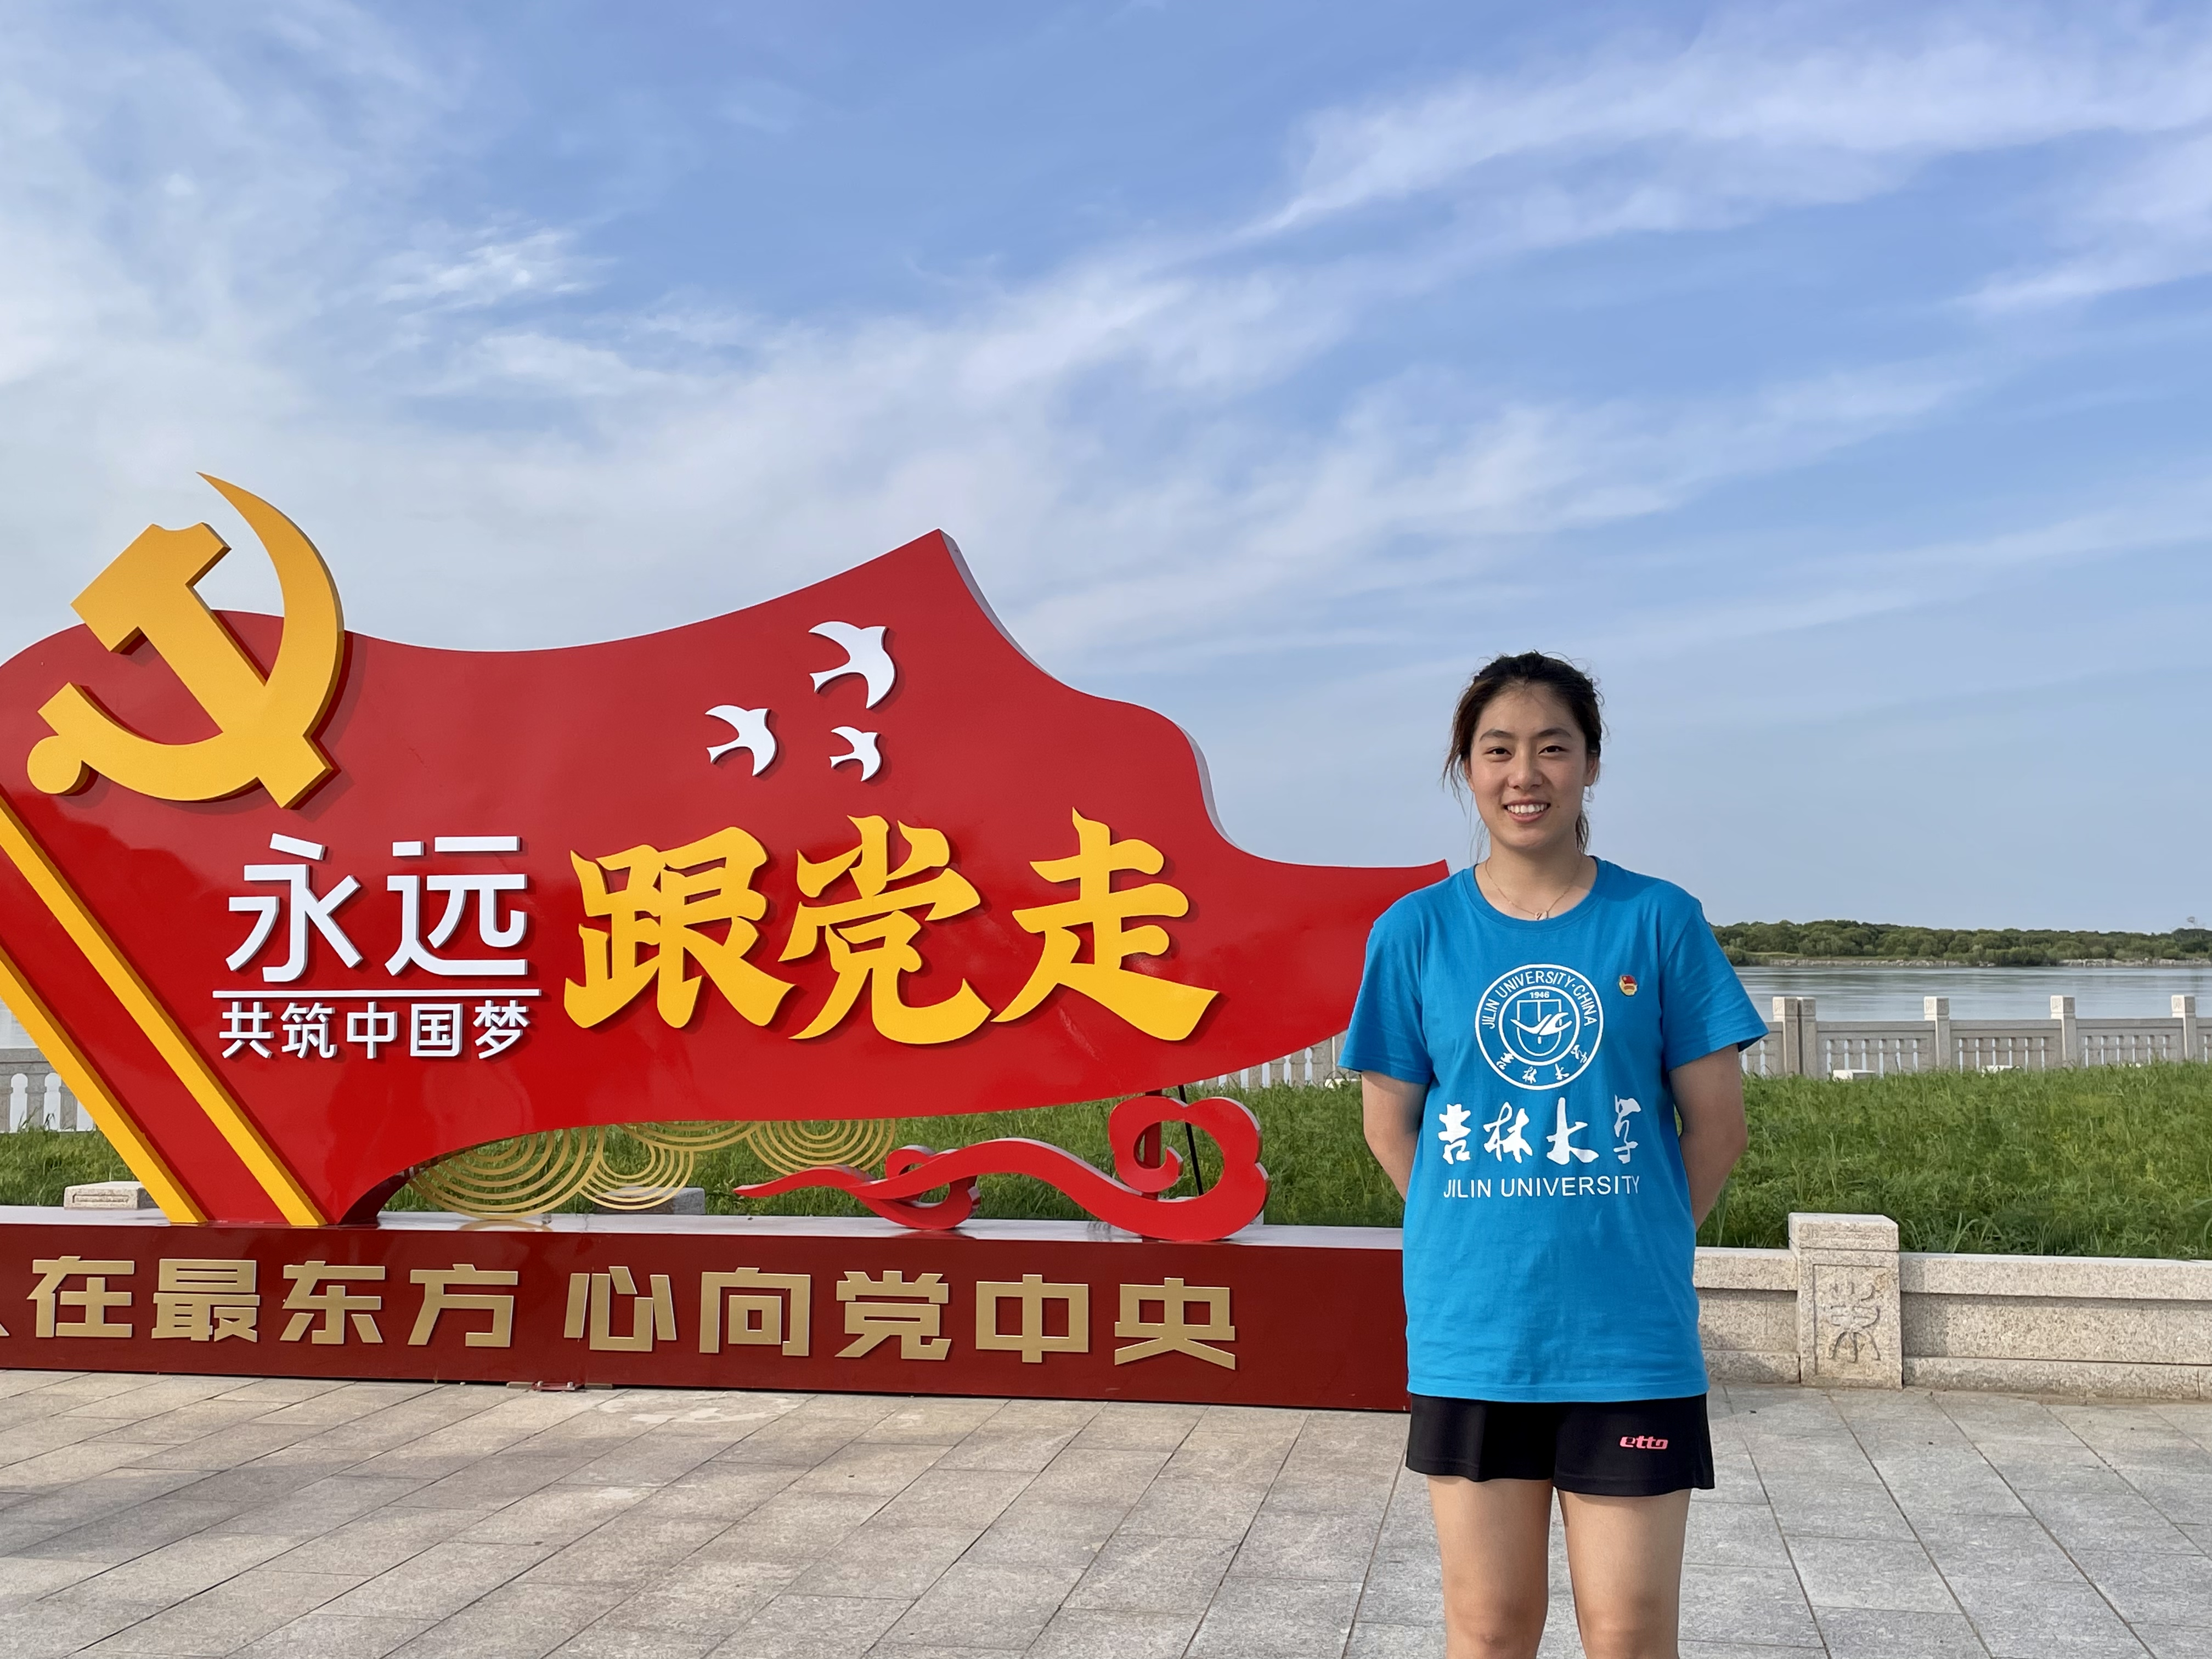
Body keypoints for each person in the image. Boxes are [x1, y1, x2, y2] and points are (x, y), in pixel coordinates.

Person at [1343, 651, 1765, 1659]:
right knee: (1489, 1627)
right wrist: (1477, 1223)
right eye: (1498, 751)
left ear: (1591, 764)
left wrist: (1635, 1234)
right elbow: (1390, 1126)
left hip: (1629, 1339)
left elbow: (1717, 1128)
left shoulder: (1658, 921)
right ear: (1467, 769)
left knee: (1628, 1628)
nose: (1524, 775)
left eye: (1552, 748)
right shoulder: (1415, 932)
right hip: (1475, 1331)